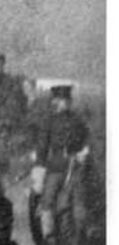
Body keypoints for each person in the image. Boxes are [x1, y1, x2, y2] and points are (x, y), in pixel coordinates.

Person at [29, 80, 93, 236]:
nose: (61, 103)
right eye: (58, 100)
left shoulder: (78, 120)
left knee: (82, 195)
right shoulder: (49, 121)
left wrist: (84, 151)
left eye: (65, 100)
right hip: (56, 165)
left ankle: (86, 228)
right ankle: (48, 232)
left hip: (76, 164)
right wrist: (39, 165)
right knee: (48, 195)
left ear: (68, 102)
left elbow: (87, 139)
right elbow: (42, 146)